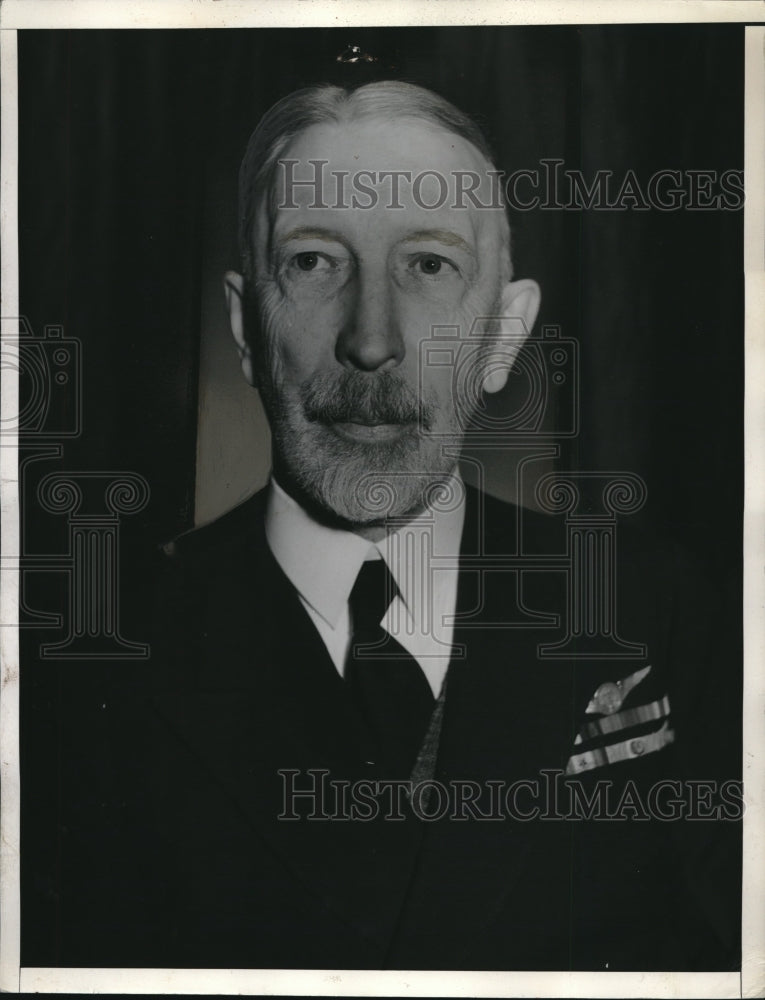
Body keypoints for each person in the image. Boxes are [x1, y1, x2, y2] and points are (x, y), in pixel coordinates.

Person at [51, 81, 741, 972]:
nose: (370, 341)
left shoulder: (659, 604)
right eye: (311, 263)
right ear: (245, 327)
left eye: (427, 265)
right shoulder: (87, 662)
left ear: (501, 335)